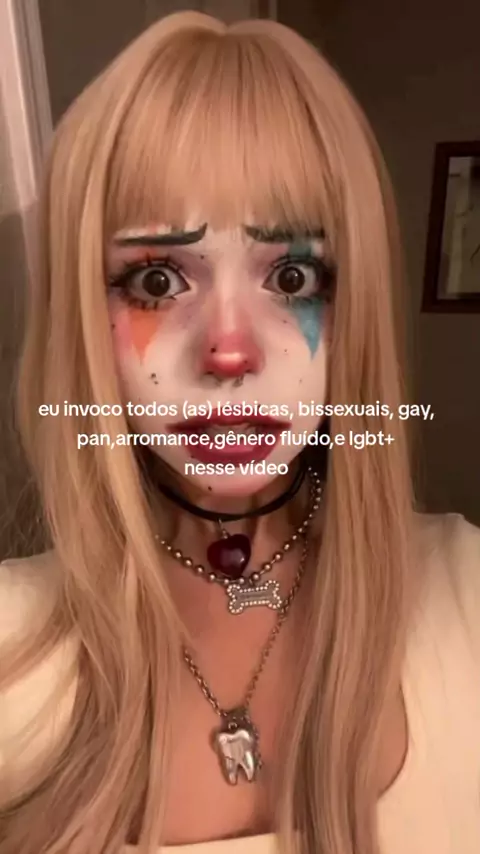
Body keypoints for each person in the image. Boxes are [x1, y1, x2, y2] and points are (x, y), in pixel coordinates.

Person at [0, 10, 479, 854]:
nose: (229, 349)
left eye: (291, 276)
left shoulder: (466, 595)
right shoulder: (11, 646)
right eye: (157, 280)